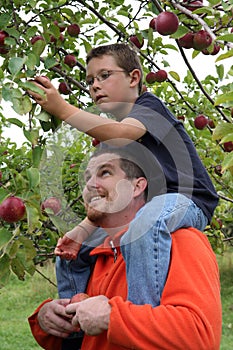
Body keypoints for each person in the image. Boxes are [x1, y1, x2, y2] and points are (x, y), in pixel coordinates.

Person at [29, 43, 219, 307]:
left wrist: (62, 109)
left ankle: (140, 317)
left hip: (189, 202)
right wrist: (83, 230)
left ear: (133, 78)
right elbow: (111, 194)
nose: (95, 85)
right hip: (146, 208)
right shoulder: (110, 141)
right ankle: (72, 321)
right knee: (73, 251)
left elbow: (121, 132)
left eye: (104, 75)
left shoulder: (149, 108)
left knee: (145, 225)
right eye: (90, 80)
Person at [28, 148, 222, 350]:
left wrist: (112, 317)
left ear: (137, 186)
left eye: (105, 173)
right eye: (87, 178)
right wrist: (45, 320)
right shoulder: (92, 256)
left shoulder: (181, 241)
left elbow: (199, 338)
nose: (90, 185)